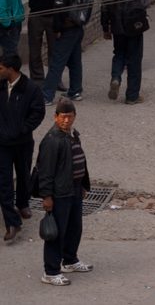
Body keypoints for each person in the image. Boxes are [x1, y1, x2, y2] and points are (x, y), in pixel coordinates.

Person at [32, 96, 89, 285]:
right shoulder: (52, 140)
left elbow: (78, 161)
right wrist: (47, 196)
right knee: (56, 233)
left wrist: (82, 185)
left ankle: (70, 260)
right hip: (59, 193)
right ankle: (51, 271)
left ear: (75, 116)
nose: (66, 120)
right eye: (63, 116)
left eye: (70, 116)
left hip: (73, 189)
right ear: (55, 117)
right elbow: (45, 172)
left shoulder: (72, 135)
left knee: (74, 228)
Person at [0, 52, 41, 245]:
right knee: (4, 183)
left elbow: (38, 112)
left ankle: (23, 204)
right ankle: (12, 222)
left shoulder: (30, 89)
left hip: (22, 143)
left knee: (23, 175)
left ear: (11, 69)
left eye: (1, 68)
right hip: (2, 144)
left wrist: (22, 129)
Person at [98, 0, 146, 106]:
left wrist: (105, 27)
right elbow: (143, 3)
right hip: (134, 25)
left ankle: (116, 77)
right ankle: (132, 95)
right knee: (134, 58)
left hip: (117, 25)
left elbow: (105, 5)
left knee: (119, 54)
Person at [40, 0, 87, 104]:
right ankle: (75, 91)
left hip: (67, 29)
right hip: (78, 26)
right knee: (75, 60)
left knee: (57, 62)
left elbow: (59, 9)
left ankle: (47, 95)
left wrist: (57, 29)